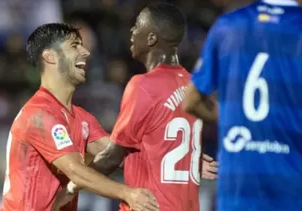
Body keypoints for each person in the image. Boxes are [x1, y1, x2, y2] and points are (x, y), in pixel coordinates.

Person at [183, 0, 302, 211]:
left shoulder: (227, 25)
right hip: (299, 189)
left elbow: (191, 101)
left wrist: (235, 117)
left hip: (239, 187)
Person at [65, 3, 218, 211]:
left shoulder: (143, 85)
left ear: (151, 38)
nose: (132, 30)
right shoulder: (193, 86)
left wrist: (71, 187)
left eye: (137, 25)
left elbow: (111, 158)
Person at [0, 23, 158, 211]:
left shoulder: (81, 117)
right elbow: (76, 171)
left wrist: (186, 158)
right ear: (50, 56)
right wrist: (128, 193)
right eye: (75, 46)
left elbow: (119, 154)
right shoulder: (39, 114)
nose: (85, 52)